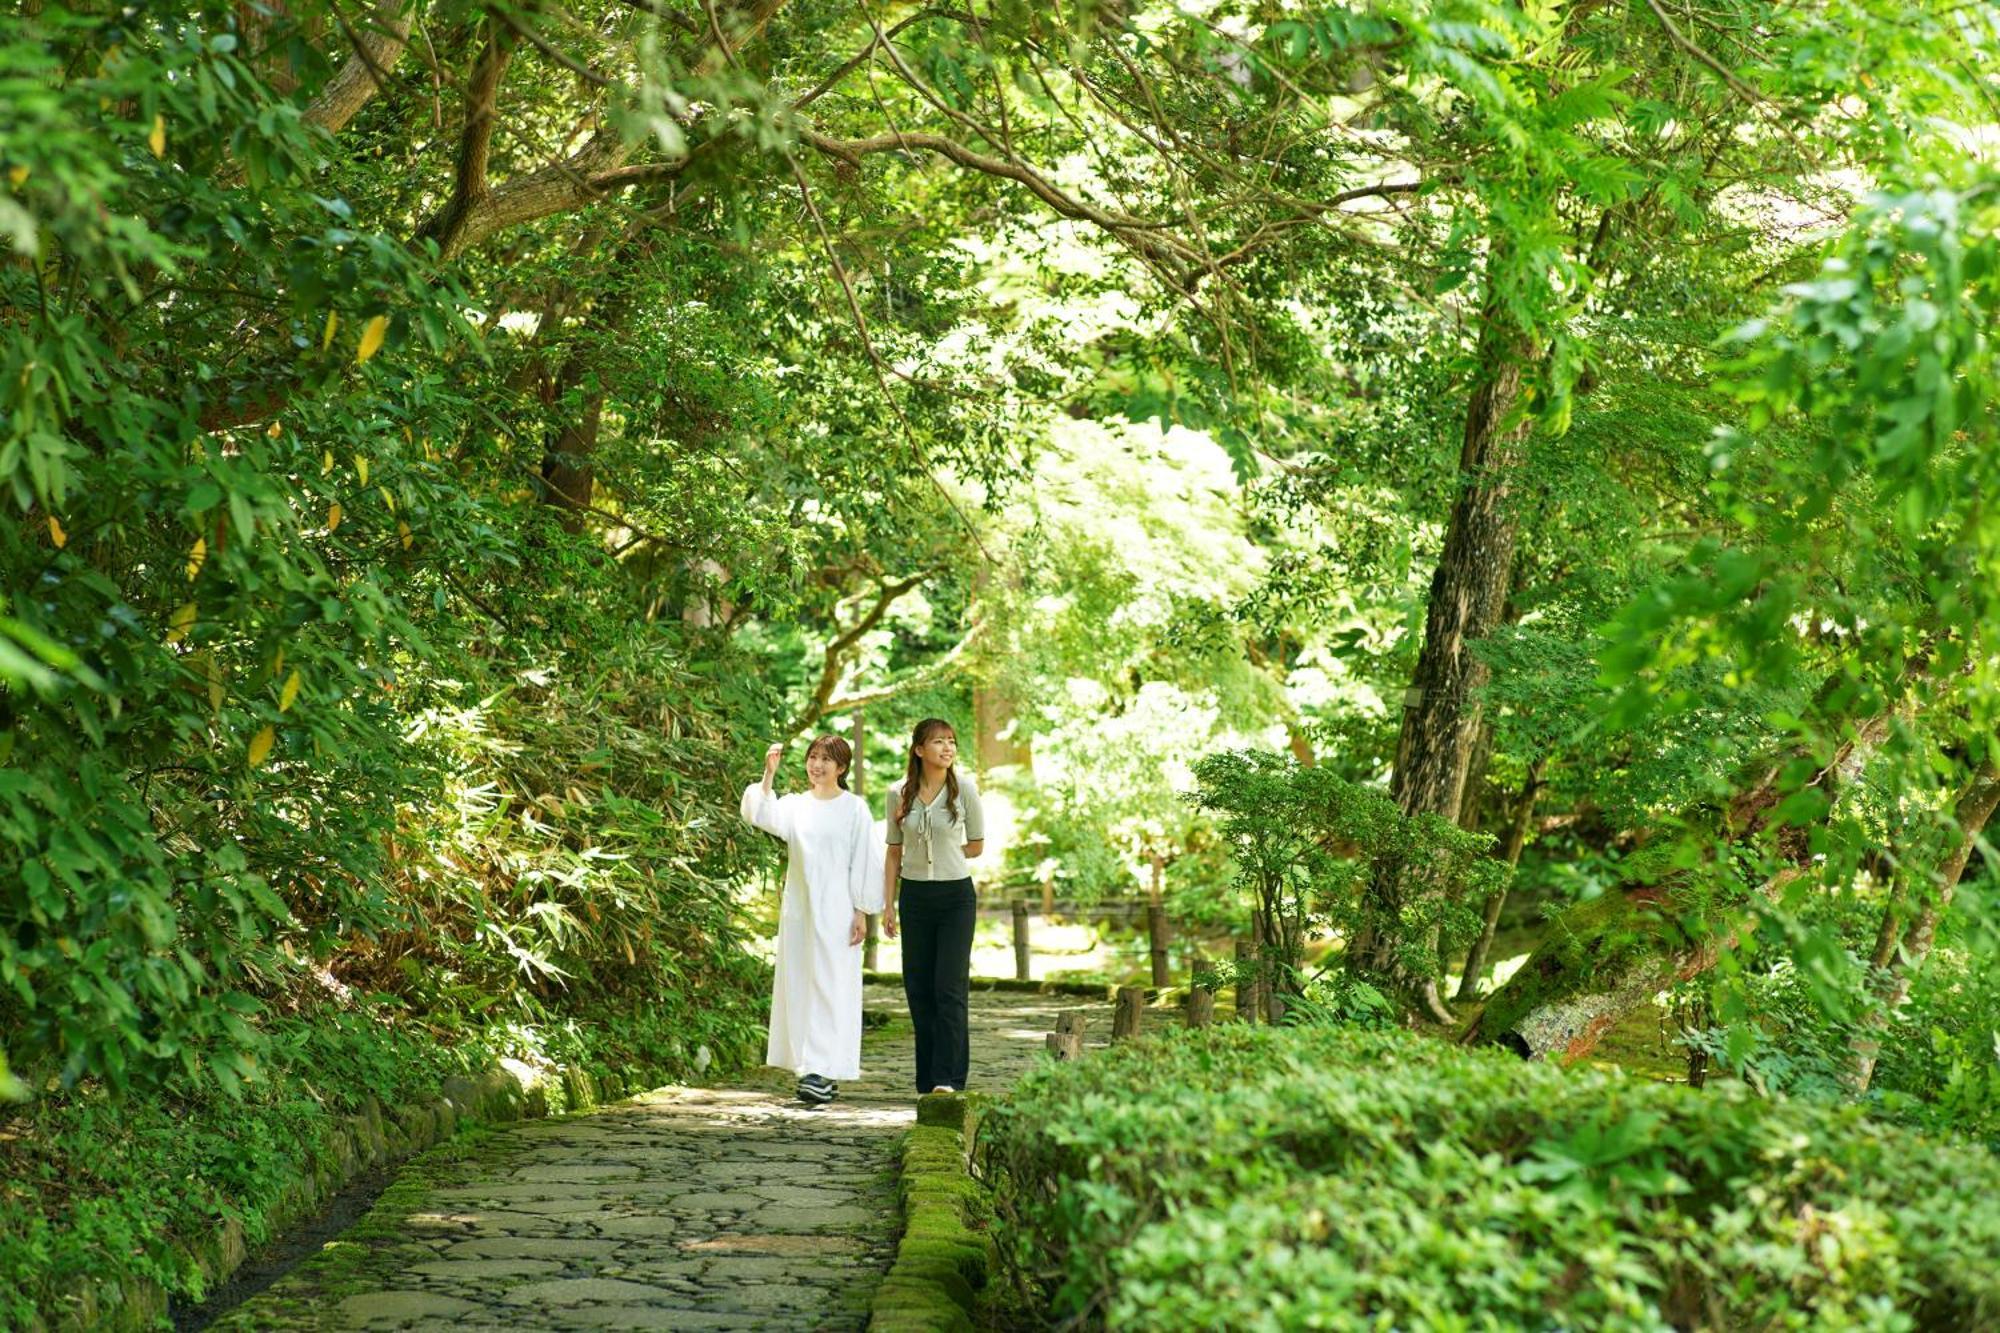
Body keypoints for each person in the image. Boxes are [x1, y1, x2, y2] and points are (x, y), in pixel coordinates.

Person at [740, 735, 880, 1105]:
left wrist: (862, 910)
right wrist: (768, 776)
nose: (817, 765)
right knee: (802, 983)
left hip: (839, 909)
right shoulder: (796, 806)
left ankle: (822, 1069)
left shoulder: (854, 809)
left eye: (826, 760)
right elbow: (760, 815)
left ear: (842, 768)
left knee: (832, 988)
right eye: (813, 757)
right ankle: (813, 1069)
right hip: (800, 908)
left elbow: (864, 860)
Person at [882, 718, 984, 1095]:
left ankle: (949, 1079)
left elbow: (976, 845)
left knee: (949, 988)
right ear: (918, 749)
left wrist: (943, 853)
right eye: (938, 741)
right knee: (919, 988)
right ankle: (927, 1079)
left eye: (952, 742)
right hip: (915, 898)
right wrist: (888, 906)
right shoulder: (898, 793)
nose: (947, 748)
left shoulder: (965, 790)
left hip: (956, 897)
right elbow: (893, 852)